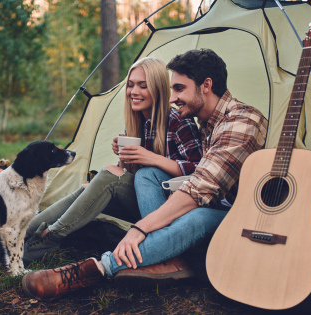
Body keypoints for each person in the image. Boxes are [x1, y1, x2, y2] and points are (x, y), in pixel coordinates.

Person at [21, 49, 268, 299]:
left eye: (179, 89)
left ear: (206, 85)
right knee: (144, 174)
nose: (173, 98)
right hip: (194, 199)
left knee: (196, 218)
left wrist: (141, 229)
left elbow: (199, 188)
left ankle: (96, 268)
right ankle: (21, 230)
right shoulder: (206, 122)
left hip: (232, 213)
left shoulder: (241, 121)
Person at [22, 57, 203, 262]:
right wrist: (124, 158)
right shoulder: (137, 124)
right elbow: (126, 176)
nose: (134, 92)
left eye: (143, 86)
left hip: (170, 207)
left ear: (158, 89)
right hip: (140, 201)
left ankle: (50, 237)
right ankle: (21, 232)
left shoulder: (179, 121)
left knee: (107, 176)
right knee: (88, 188)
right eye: (131, 85)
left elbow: (198, 171)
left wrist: (151, 158)